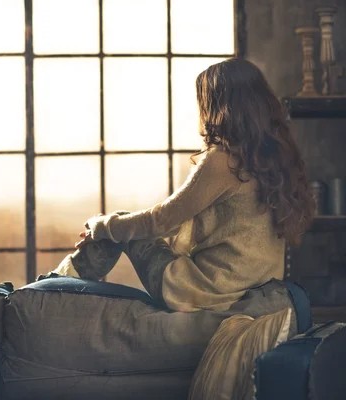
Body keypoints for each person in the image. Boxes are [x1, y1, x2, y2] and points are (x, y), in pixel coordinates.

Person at [48, 58, 315, 312]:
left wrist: (101, 226)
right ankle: (53, 286)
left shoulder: (223, 161)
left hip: (206, 291)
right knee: (119, 226)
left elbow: (161, 221)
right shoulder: (276, 158)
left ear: (221, 107)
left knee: (118, 224)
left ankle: (49, 291)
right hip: (251, 287)